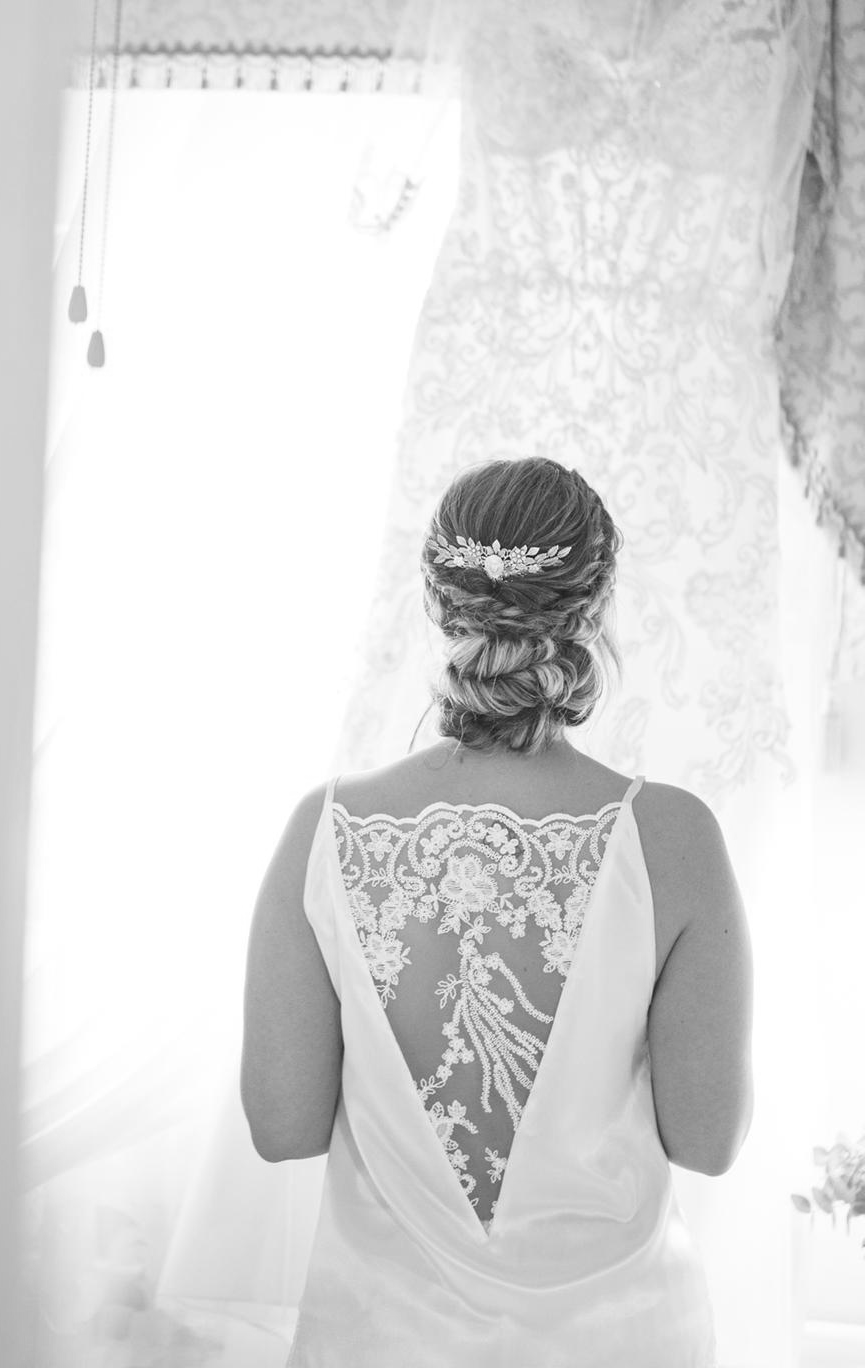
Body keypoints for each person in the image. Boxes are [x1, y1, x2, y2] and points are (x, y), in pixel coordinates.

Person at [241, 455, 753, 1368]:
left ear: (438, 608)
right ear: (594, 614)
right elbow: (708, 1142)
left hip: (382, 1342)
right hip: (617, 1342)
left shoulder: (325, 828)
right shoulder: (674, 839)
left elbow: (283, 1129)